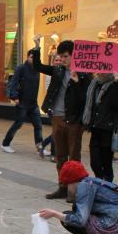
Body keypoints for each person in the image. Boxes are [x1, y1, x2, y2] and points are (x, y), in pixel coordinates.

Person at [32, 35, 91, 199]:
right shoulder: (58, 70)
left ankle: (75, 191)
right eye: (61, 56)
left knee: (74, 157)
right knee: (60, 156)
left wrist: (77, 82)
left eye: (66, 56)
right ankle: (62, 187)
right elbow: (38, 66)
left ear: (73, 56)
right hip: (57, 117)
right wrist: (37, 47)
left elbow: (85, 98)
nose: (62, 59)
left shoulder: (84, 74)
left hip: (73, 120)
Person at [39, 161, 118, 234]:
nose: (68, 189)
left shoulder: (84, 186)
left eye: (67, 185)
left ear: (71, 181)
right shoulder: (93, 181)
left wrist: (54, 214)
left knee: (68, 218)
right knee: (76, 211)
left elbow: (80, 220)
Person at [83, 72, 118, 183]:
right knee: (95, 162)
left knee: (106, 162)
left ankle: (107, 185)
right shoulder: (95, 83)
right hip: (95, 127)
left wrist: (117, 84)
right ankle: (102, 182)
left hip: (108, 128)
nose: (101, 72)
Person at [1, 49, 43, 154]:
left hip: (33, 103)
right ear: (27, 57)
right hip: (22, 102)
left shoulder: (37, 69)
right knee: (18, 124)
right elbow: (14, 82)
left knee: (38, 125)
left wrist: (37, 45)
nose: (33, 60)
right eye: (32, 57)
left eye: (35, 58)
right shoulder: (21, 68)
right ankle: (5, 144)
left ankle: (40, 147)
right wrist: (14, 97)